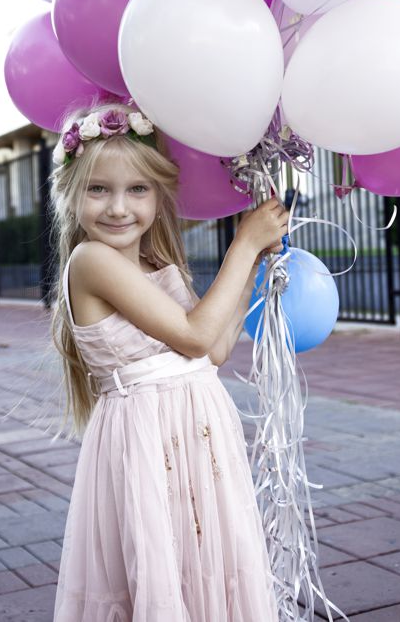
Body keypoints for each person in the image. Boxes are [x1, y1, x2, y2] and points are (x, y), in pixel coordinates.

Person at [49, 101, 287, 622]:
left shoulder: (159, 267)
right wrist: (241, 247)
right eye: (98, 189)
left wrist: (253, 264)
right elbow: (196, 334)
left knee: (198, 561)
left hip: (195, 432)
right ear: (71, 195)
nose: (118, 207)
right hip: (147, 434)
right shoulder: (91, 262)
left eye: (137, 189)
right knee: (157, 565)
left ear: (159, 195)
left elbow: (214, 351)